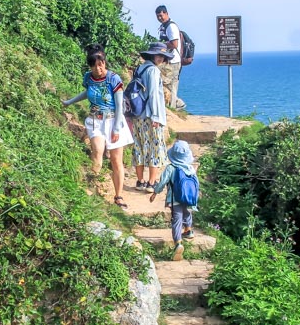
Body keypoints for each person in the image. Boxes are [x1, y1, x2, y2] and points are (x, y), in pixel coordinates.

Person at [61, 44, 134, 209]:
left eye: (101, 64)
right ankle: (91, 189)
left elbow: (119, 105)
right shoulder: (88, 77)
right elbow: (88, 92)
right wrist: (69, 102)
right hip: (95, 120)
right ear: (90, 65)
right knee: (97, 151)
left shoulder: (114, 78)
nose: (99, 68)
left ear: (104, 62)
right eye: (95, 65)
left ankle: (118, 196)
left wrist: (116, 128)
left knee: (116, 160)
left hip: (114, 120)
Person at [131, 42, 171, 191]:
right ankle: (152, 182)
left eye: (162, 56)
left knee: (139, 147)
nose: (160, 58)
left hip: (137, 114)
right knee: (155, 148)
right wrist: (156, 116)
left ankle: (140, 181)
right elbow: (154, 94)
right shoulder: (153, 70)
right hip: (150, 116)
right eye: (159, 55)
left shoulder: (139, 69)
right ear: (152, 55)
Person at [149, 140, 198, 260]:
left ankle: (178, 243)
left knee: (177, 219)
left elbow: (162, 182)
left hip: (175, 199)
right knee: (187, 212)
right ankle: (188, 230)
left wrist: (155, 192)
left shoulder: (171, 168)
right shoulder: (191, 168)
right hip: (189, 198)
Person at [155, 5, 186, 110]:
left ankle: (173, 108)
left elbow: (174, 44)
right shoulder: (164, 26)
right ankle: (178, 104)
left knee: (172, 86)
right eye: (158, 16)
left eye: (161, 15)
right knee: (166, 84)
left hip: (174, 61)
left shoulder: (170, 26)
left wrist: (161, 46)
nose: (159, 18)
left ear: (166, 13)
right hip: (168, 60)